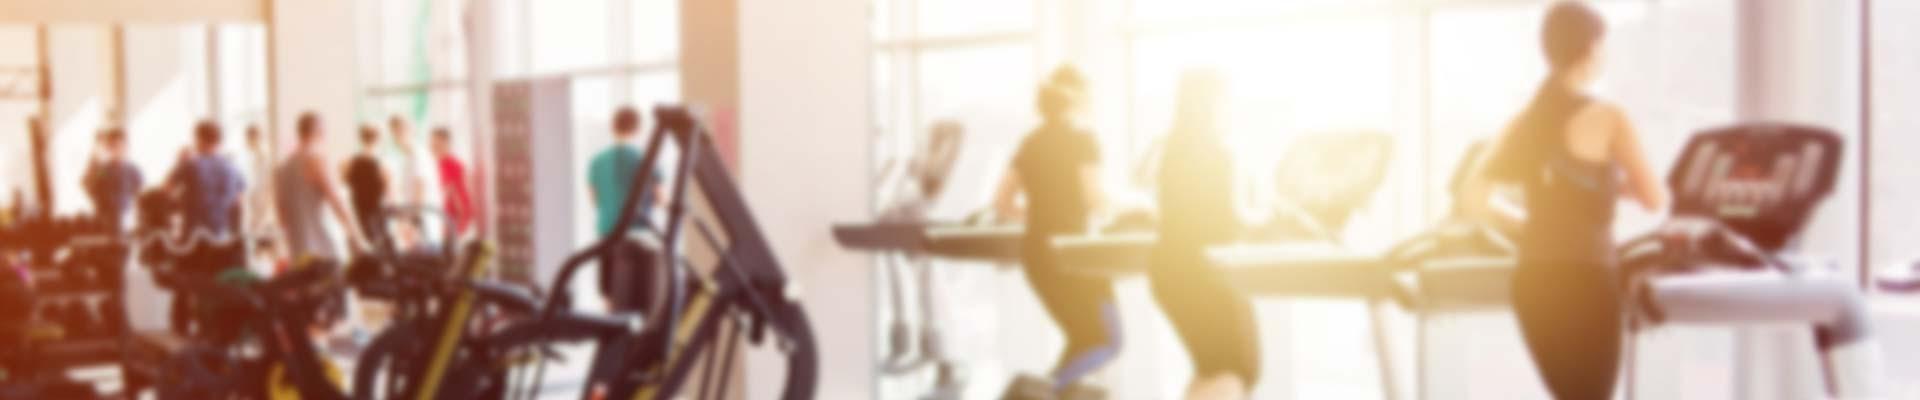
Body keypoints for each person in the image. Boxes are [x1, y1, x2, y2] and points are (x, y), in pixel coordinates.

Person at [1461, 2, 1667, 399]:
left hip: (1534, 283)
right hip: (1587, 281)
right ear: (1591, 48)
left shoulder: (1524, 121)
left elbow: (1473, 197)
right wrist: (1610, 184)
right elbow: (1654, 198)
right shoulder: (1609, 118)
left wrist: (1532, 225)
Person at [991, 65, 1122, 396]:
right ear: (1077, 98)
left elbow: (1001, 202)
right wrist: (1124, 210)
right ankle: (1037, 393)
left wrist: (1040, 218)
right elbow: (1094, 200)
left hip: (1037, 256)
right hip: (1074, 258)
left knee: (1083, 339)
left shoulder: (1031, 141)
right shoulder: (1083, 138)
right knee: (1107, 340)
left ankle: (1043, 390)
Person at [1150, 70, 1261, 400]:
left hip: (1168, 269)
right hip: (1204, 271)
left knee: (1211, 367)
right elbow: (1227, 221)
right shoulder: (1217, 152)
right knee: (1235, 368)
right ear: (1214, 104)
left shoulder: (1171, 149)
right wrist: (1267, 225)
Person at [163, 120, 248, 334]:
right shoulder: (232, 168)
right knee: (215, 286)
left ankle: (180, 327)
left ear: (199, 139)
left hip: (194, 236)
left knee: (185, 282)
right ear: (219, 140)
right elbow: (239, 202)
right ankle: (211, 328)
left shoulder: (190, 164)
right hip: (221, 237)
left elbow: (165, 190)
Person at [587, 106, 668, 312]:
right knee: (641, 298)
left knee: (609, 294)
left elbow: (594, 200)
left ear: (613, 127)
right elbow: (660, 199)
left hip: (607, 233)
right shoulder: (646, 159)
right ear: (638, 128)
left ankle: (608, 338)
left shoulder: (597, 161)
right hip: (638, 236)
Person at [277, 112, 367, 263]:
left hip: (298, 249)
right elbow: (336, 201)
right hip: (325, 247)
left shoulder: (282, 168)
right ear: (319, 131)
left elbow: (282, 215)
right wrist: (358, 237)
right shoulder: (317, 158)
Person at [82, 128, 143, 230]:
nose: (118, 150)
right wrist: (95, 156)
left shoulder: (133, 171)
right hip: (105, 220)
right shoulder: (104, 170)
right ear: (109, 149)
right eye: (113, 147)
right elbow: (90, 185)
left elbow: (139, 193)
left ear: (127, 147)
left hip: (127, 219)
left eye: (121, 146)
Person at [343, 125, 390, 251]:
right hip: (376, 208)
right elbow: (388, 189)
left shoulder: (350, 162)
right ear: (378, 139)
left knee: (363, 242)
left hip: (358, 207)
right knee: (378, 243)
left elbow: (345, 181)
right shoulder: (381, 162)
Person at [431, 127, 476, 236]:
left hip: (457, 219)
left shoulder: (452, 164)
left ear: (446, 143)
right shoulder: (441, 163)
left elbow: (460, 197)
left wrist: (459, 227)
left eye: (436, 145)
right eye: (432, 144)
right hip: (450, 218)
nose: (432, 148)